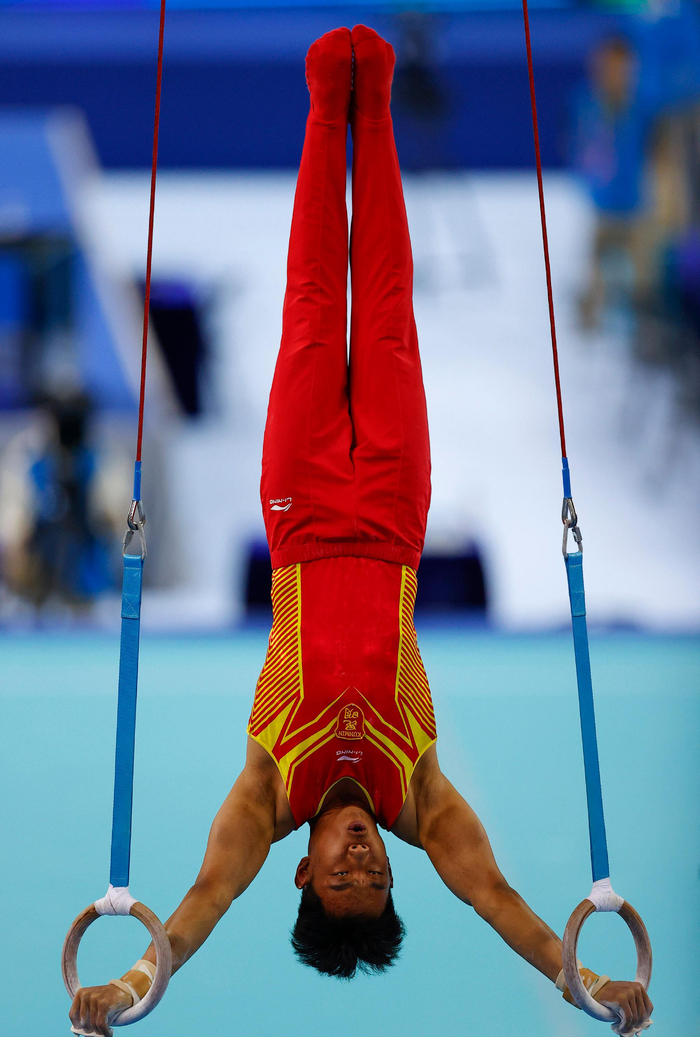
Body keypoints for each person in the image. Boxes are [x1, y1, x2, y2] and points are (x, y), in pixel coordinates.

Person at [69, 27, 654, 1037]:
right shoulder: (419, 798)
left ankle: (320, 98)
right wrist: (592, 986)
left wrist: (124, 988)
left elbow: (198, 909)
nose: (360, 861)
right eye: (376, 878)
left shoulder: (268, 794)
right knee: (382, 310)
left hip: (299, 516)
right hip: (388, 517)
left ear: (301, 870)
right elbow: (502, 902)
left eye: (340, 877)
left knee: (309, 307)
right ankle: (369, 97)